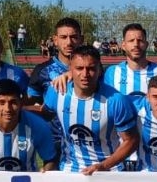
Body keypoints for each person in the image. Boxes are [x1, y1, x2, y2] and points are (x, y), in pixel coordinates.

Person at [41, 45, 139, 174]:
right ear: (70, 69)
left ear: (99, 70)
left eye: (91, 69)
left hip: (108, 172)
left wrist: (103, 166)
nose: (85, 74)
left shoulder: (116, 100)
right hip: (70, 170)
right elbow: (43, 116)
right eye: (79, 68)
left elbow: (131, 140)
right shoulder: (57, 92)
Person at [27, 17, 84, 143]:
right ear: (55, 40)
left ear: (81, 39)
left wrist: (73, 73)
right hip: (54, 141)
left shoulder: (93, 70)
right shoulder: (42, 70)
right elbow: (31, 101)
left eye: (73, 37)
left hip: (86, 140)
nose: (69, 42)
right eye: (63, 37)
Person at [103, 23, 157, 98]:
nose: (136, 44)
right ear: (123, 45)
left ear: (146, 45)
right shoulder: (111, 73)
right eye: (131, 40)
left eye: (140, 40)